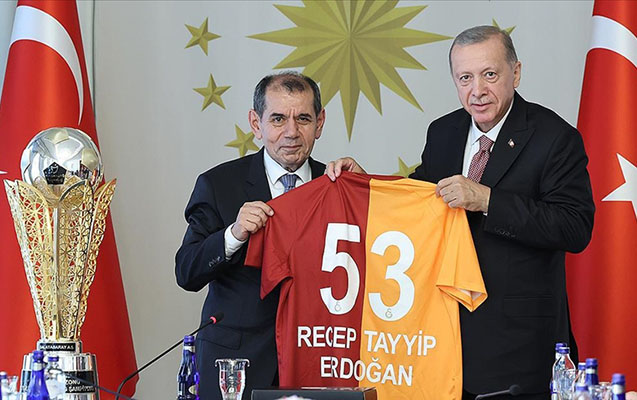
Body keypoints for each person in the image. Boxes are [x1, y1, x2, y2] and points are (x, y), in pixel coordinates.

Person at [327, 26, 594, 399]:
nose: (477, 90)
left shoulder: (555, 137)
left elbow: (575, 227)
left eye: (490, 74)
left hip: (518, 349)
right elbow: (419, 201)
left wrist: (488, 201)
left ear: (516, 73)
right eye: (465, 78)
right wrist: (366, 184)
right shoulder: (443, 132)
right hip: (440, 339)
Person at [175, 71, 326, 400]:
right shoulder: (219, 184)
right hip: (235, 367)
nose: (291, 132)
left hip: (317, 363)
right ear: (256, 124)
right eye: (278, 119)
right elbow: (187, 271)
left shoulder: (337, 186)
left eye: (303, 118)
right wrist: (233, 235)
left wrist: (362, 190)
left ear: (320, 123)